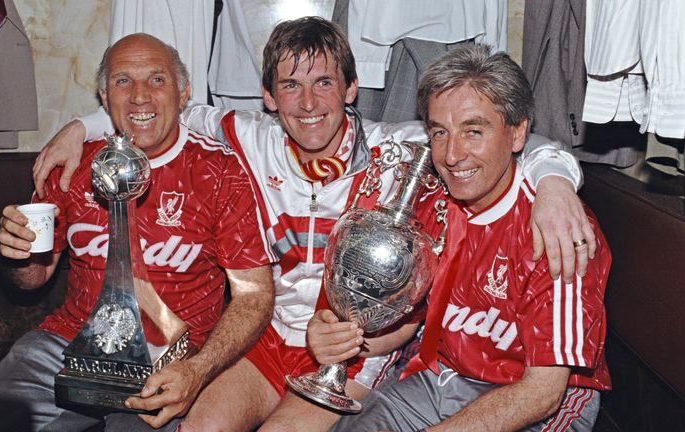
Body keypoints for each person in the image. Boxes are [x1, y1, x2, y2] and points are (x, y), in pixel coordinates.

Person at [32, 17, 596, 431]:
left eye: (324, 82)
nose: (307, 103)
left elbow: (496, 137)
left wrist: (553, 182)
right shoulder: (246, 136)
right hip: (270, 335)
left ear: (351, 89)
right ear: (268, 99)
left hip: (352, 350)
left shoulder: (398, 147)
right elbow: (153, 111)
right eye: (290, 86)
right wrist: (81, 129)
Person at [0, 34, 275, 432]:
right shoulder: (74, 166)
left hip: (174, 359)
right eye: (123, 81)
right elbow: (33, 280)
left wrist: (199, 371)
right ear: (104, 95)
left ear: (183, 93)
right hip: (67, 344)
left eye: (157, 80)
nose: (140, 97)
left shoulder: (219, 172)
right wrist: (20, 255)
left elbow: (255, 295)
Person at [316, 43, 611, 432]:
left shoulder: (557, 228)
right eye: (440, 132)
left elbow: (543, 392)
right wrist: (339, 340)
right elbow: (409, 323)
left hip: (539, 399)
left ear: (518, 131)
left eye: (474, 131)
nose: (452, 155)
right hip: (446, 377)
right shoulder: (431, 204)